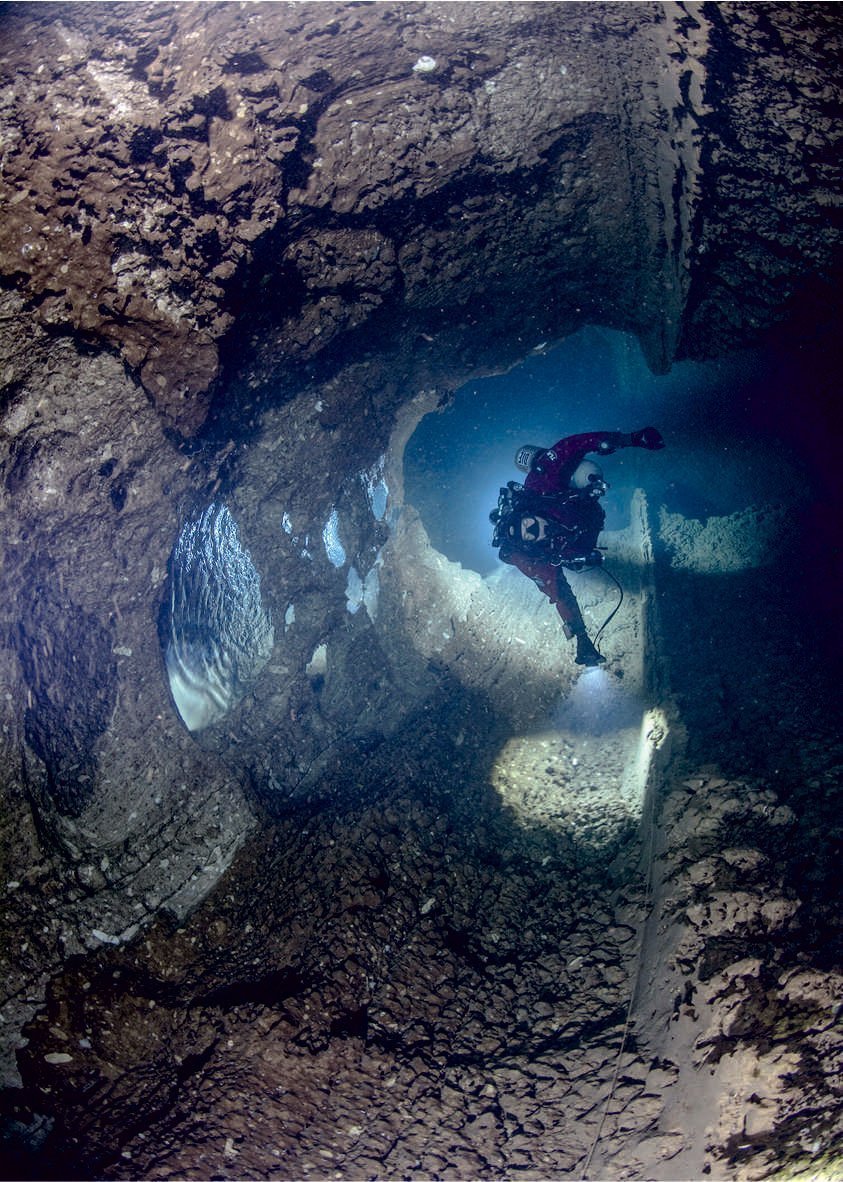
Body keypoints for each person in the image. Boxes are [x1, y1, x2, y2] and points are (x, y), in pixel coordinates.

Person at [491, 427, 665, 666]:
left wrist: (627, 439)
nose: (536, 529)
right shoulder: (535, 561)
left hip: (577, 498)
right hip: (586, 526)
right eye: (532, 535)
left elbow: (568, 447)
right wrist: (582, 638)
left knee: (588, 471)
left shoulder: (539, 486)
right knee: (579, 558)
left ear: (527, 513)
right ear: (531, 546)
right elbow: (559, 595)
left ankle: (611, 476)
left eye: (530, 524)